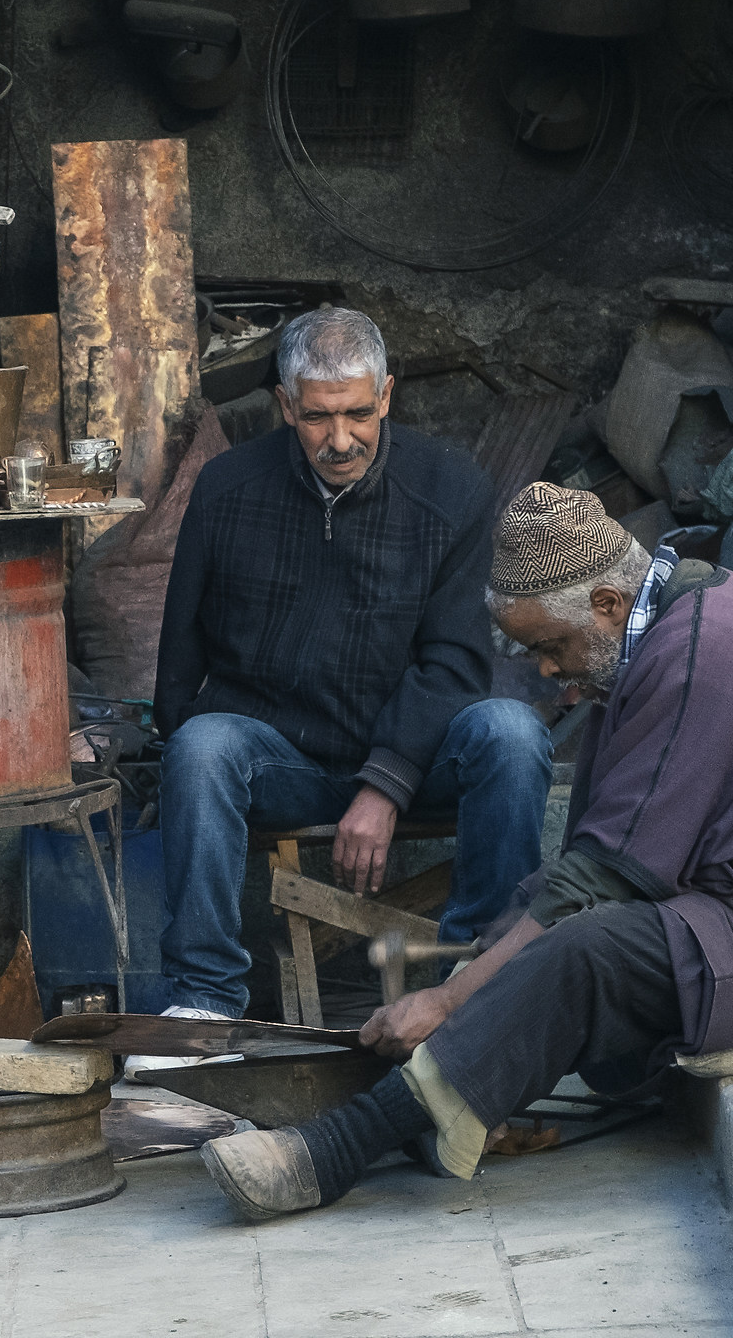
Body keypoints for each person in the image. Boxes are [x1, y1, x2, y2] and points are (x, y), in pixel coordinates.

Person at [199, 484, 733, 1221]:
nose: (548, 671)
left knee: (592, 946)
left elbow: (601, 883)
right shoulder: (658, 635)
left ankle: (334, 1152)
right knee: (547, 921)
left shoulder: (696, 653)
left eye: (550, 648)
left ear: (608, 606)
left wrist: (450, 1000)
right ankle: (441, 1108)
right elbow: (576, 868)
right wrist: (471, 981)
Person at [150, 308, 553, 1033]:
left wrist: (385, 781)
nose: (340, 440)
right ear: (284, 405)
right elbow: (181, 655)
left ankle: (481, 988)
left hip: (413, 757)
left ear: (388, 395)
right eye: (317, 418)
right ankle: (202, 1007)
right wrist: (177, 764)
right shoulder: (227, 489)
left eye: (359, 414)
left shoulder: (451, 488)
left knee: (512, 733)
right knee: (203, 746)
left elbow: (457, 662)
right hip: (281, 761)